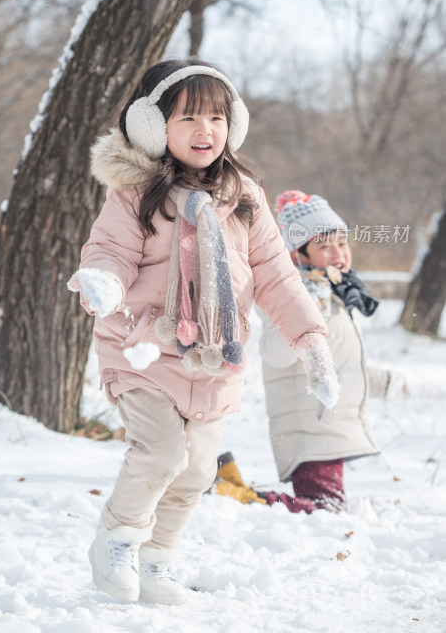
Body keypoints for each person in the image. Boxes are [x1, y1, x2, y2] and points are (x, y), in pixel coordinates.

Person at [67, 60, 340, 605]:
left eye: (217, 117)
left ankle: (157, 558)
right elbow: (112, 251)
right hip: (142, 348)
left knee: (195, 471)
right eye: (188, 117)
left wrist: (310, 339)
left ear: (232, 125)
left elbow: (275, 275)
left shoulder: (244, 197)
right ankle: (117, 539)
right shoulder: (136, 192)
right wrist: (102, 281)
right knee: (162, 452)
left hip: (215, 358)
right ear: (152, 125)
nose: (205, 130)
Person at [244, 189, 405, 514]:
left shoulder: (337, 294)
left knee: (327, 505)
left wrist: (383, 383)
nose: (337, 254)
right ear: (297, 254)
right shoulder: (291, 295)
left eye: (342, 243)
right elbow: (277, 355)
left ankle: (245, 497)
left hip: (326, 422)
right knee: (323, 508)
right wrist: (308, 309)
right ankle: (242, 499)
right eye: (324, 246)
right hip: (308, 425)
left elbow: (340, 362)